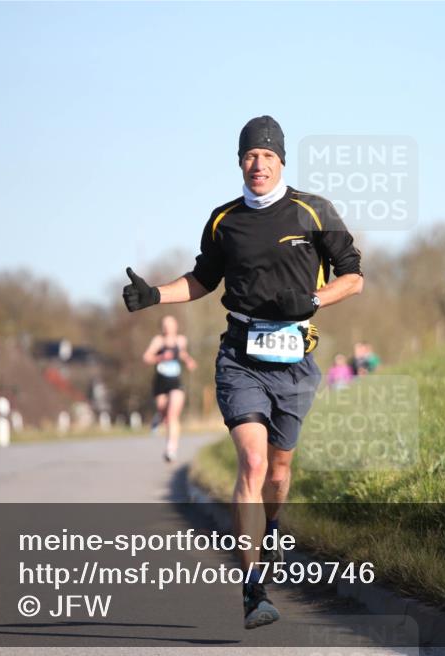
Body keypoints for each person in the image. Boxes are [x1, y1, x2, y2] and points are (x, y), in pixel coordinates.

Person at [122, 115, 363, 629]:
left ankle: (271, 527)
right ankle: (253, 590)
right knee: (252, 464)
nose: (258, 165)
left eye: (268, 157)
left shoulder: (313, 211)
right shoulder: (223, 221)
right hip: (240, 355)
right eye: (250, 156)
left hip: (295, 360)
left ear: (281, 162)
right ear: (240, 162)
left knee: (278, 471)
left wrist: (313, 299)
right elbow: (203, 280)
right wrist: (154, 295)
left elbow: (354, 277)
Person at [142, 315, 196, 462]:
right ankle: (159, 417)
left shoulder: (181, 340)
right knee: (163, 410)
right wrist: (160, 357)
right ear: (162, 327)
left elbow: (182, 353)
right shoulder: (158, 341)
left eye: (170, 324)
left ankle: (171, 449)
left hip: (175, 382)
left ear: (176, 325)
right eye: (165, 325)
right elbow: (146, 357)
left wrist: (189, 361)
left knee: (172, 415)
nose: (168, 327)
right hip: (160, 382)